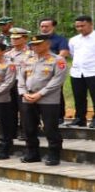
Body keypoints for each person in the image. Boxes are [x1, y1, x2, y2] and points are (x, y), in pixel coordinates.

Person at [19, 34, 67, 165]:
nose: (35, 47)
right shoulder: (28, 60)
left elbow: (57, 81)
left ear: (48, 44)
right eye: (33, 44)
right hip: (28, 97)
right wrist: (23, 93)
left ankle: (54, 154)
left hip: (48, 99)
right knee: (28, 127)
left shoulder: (58, 60)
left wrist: (40, 94)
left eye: (39, 44)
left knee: (50, 128)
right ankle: (32, 153)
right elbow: (21, 78)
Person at [68, 15, 95, 127]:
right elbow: (73, 54)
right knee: (79, 97)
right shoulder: (73, 40)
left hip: (93, 71)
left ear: (90, 24)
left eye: (82, 26)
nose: (80, 29)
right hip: (77, 73)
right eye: (77, 26)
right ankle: (80, 118)